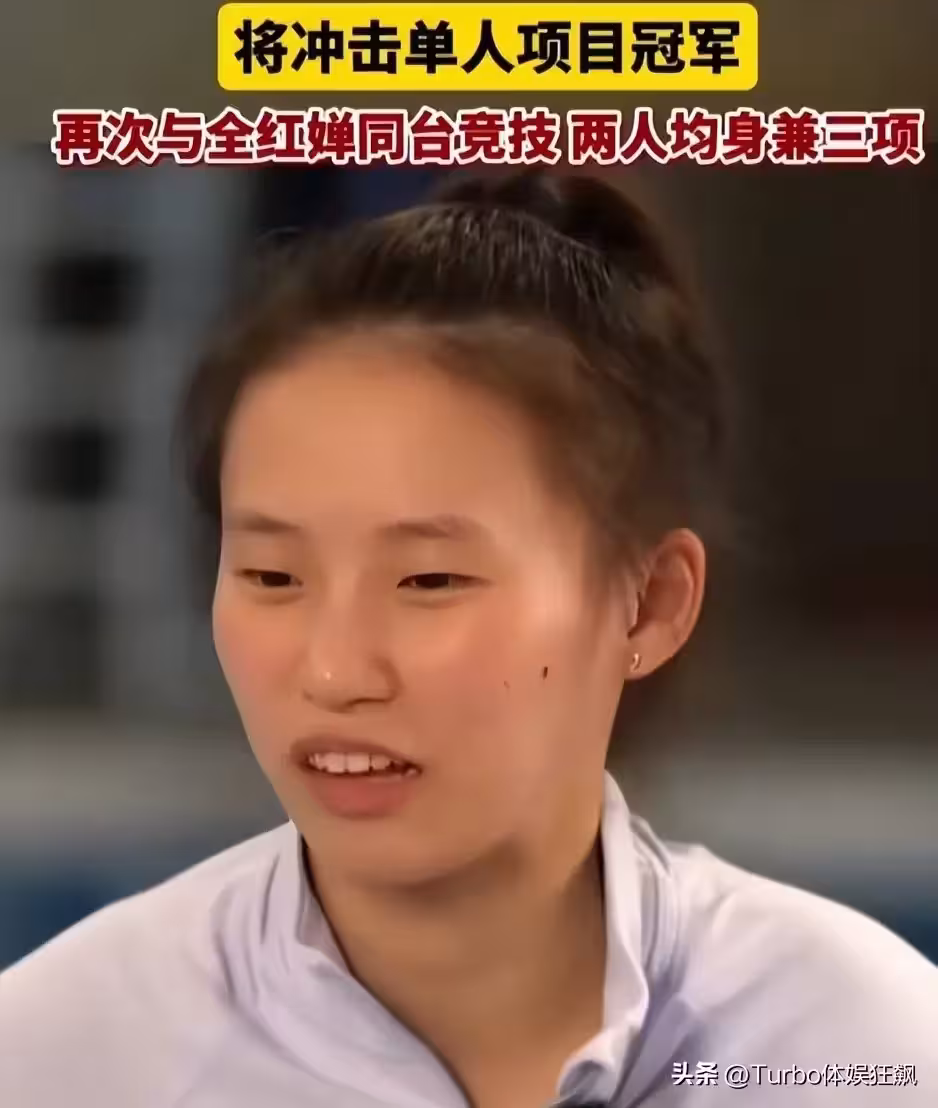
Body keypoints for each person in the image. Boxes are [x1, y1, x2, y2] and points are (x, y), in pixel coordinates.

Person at [1, 169, 935, 1108]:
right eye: (273, 577)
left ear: (650, 603)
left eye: (429, 580)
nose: (335, 670)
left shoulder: (859, 1046)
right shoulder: (64, 1053)